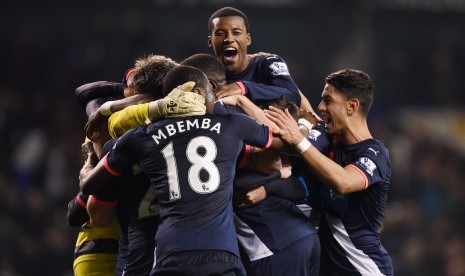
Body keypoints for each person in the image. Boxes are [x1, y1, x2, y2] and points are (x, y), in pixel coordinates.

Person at [79, 65, 284, 276]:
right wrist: (243, 101)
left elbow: (88, 199)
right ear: (198, 94)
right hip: (219, 252)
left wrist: (90, 161)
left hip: (163, 254)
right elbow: (281, 153)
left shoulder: (134, 138)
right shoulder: (229, 126)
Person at [265, 69, 393, 276]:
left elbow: (343, 181)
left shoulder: (375, 155)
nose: (321, 107)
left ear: (351, 106)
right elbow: (304, 106)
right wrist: (274, 66)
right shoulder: (329, 137)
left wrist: (298, 140)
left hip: (364, 268)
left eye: (328, 100)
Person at [207, 6, 317, 115]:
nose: (229, 39)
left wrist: (244, 87)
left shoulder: (267, 63)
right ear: (210, 41)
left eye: (236, 32)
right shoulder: (205, 74)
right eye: (220, 34)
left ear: (248, 39)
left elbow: (293, 95)